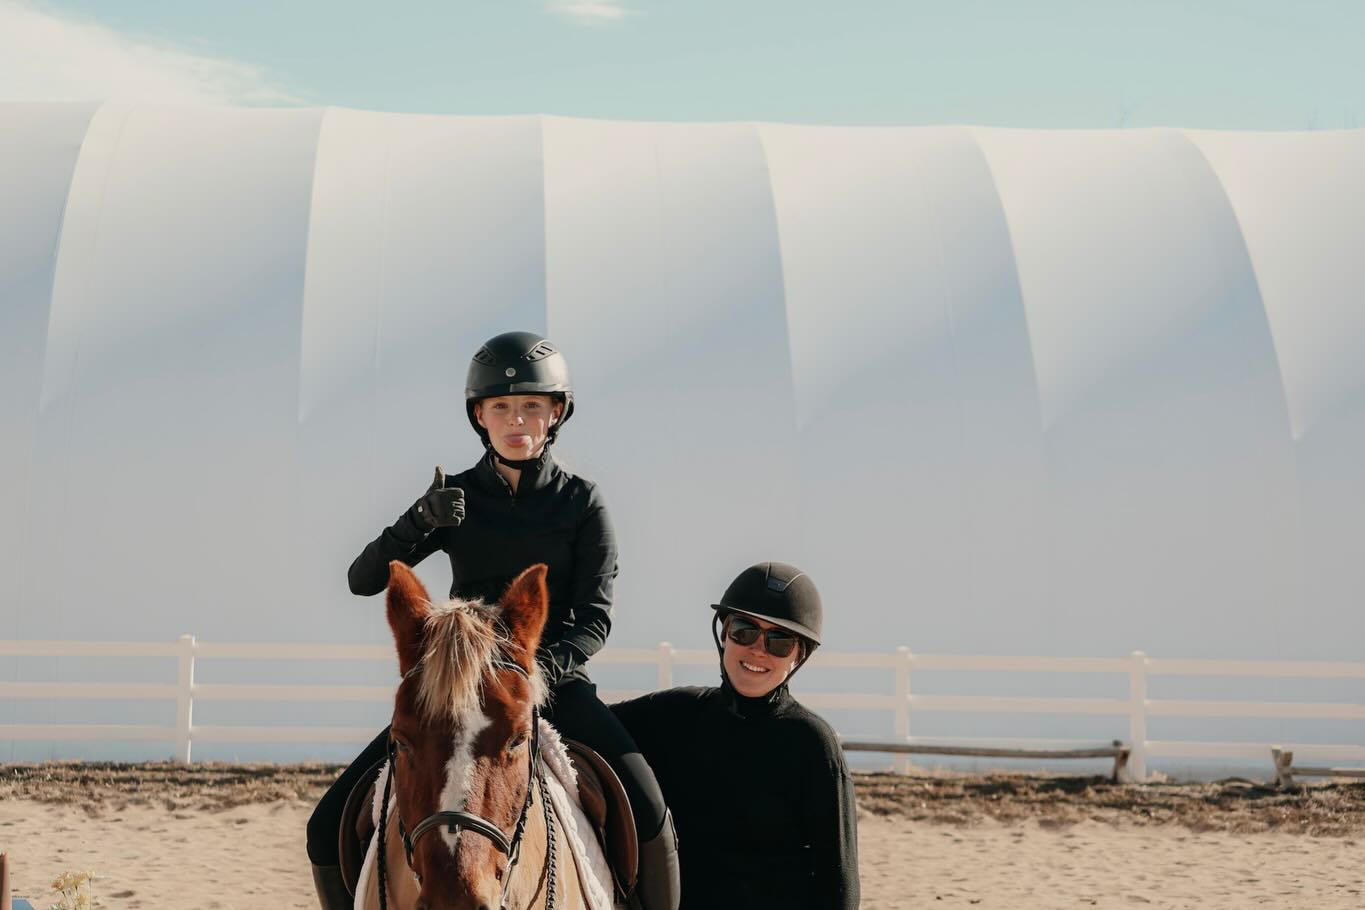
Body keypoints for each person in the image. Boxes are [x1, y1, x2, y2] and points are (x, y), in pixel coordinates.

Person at [306, 331, 680, 910]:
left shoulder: (583, 502)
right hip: (454, 690)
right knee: (325, 825)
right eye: (501, 406)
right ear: (478, 415)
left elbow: (594, 620)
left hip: (549, 680)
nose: (517, 420)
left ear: (556, 413)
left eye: (532, 405)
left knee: (651, 813)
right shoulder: (453, 498)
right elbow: (362, 579)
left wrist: (529, 673)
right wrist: (417, 522)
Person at [611, 562, 860, 909]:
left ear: (798, 655)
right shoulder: (673, 714)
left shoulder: (813, 744)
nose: (758, 649)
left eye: (779, 640)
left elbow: (840, 887)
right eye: (744, 630)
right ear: (725, 634)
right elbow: (584, 728)